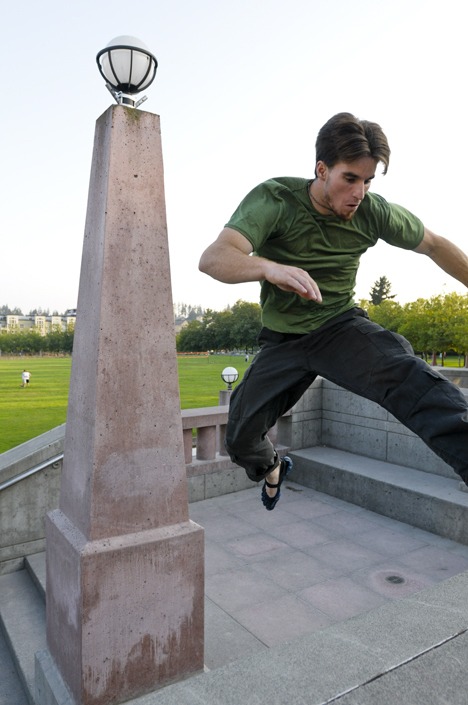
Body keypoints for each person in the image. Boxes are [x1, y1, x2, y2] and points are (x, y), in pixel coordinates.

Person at [199, 112, 468, 511]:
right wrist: (269, 268)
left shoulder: (373, 211)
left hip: (338, 326)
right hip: (282, 341)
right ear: (322, 170)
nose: (359, 193)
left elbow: (433, 244)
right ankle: (273, 467)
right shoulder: (276, 199)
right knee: (239, 435)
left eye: (367, 181)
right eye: (350, 179)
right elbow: (214, 258)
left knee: (406, 373)